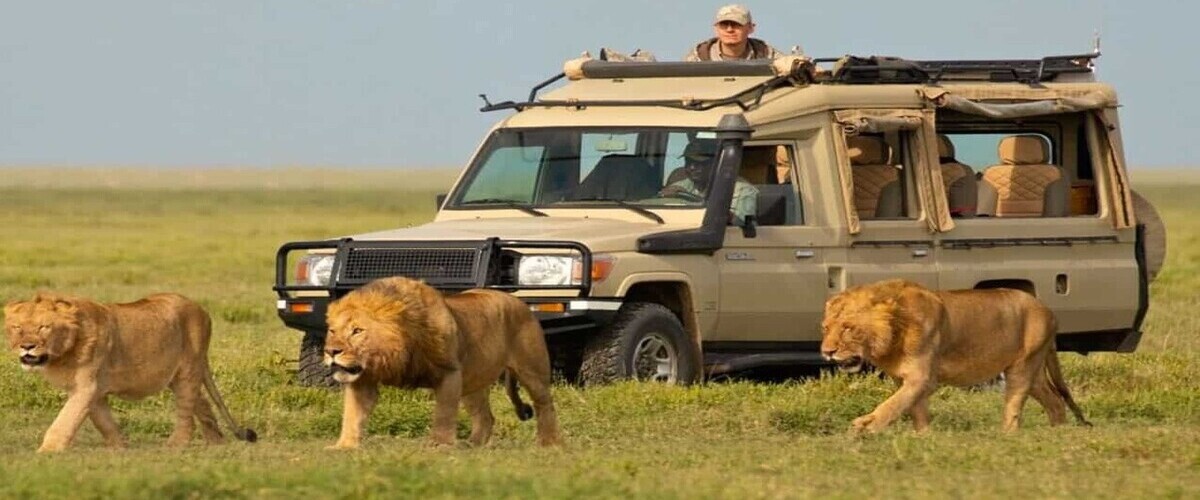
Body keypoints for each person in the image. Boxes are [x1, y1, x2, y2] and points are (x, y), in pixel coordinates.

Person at [659, 140, 759, 224]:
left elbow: (744, 227)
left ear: (716, 163)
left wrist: (708, 207)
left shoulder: (742, 190)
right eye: (688, 162)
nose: (692, 167)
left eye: (699, 163)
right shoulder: (682, 186)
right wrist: (665, 197)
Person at [684, 4, 782, 62]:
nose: (729, 29)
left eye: (736, 24)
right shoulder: (697, 59)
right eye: (724, 25)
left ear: (751, 28)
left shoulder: (768, 56)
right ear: (716, 29)